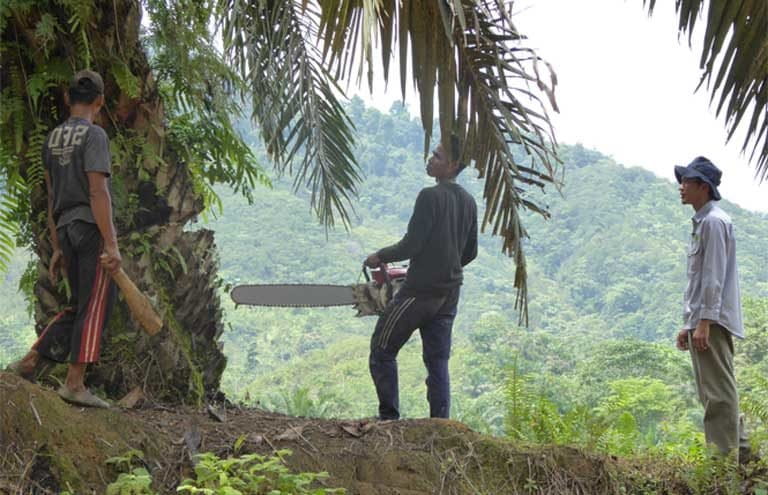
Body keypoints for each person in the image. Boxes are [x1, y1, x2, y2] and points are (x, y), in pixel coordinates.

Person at [6, 70, 121, 408]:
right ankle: (74, 383)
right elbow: (98, 191)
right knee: (96, 305)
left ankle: (29, 362)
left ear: (68, 99)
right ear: (99, 102)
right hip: (90, 228)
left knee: (79, 304)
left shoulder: (52, 138)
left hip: (67, 229)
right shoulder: (95, 135)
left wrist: (57, 246)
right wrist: (111, 243)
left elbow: (51, 195)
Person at [364, 136, 477, 420]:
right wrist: (445, 265)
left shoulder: (430, 196)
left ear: (451, 166)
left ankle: (388, 418)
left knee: (381, 349)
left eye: (437, 156)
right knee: (438, 361)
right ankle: (440, 423)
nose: (431, 159)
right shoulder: (468, 201)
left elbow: (411, 245)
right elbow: (470, 252)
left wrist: (380, 256)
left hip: (419, 292)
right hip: (450, 293)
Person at [674, 156, 751, 462]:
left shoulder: (714, 223)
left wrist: (704, 321)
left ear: (703, 187)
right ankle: (745, 458)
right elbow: (698, 279)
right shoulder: (704, 222)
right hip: (704, 320)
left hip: (713, 321)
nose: (681, 187)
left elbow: (713, 277)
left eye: (687, 182)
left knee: (718, 394)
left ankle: (722, 466)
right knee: (712, 390)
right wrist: (690, 323)